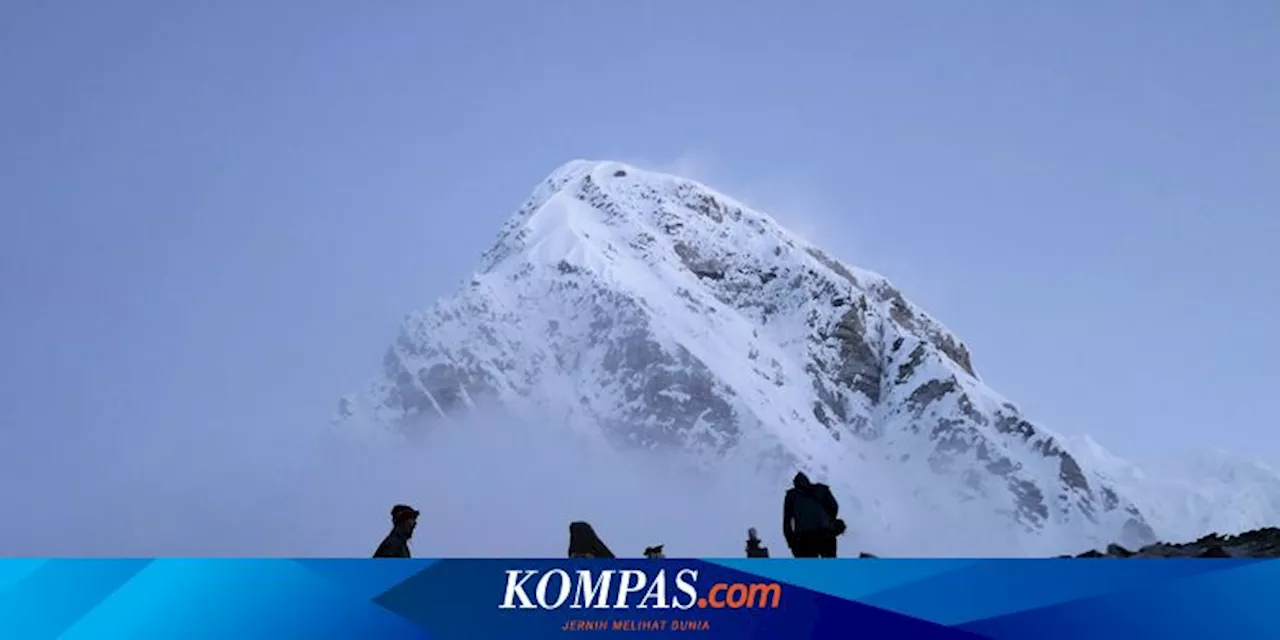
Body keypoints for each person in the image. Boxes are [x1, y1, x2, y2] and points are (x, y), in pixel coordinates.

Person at [782, 471, 845, 558]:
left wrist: (792, 543)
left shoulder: (792, 496)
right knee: (830, 568)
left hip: (804, 539)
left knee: (809, 569)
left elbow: (787, 523)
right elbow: (834, 506)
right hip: (825, 535)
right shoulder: (821, 490)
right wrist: (829, 522)